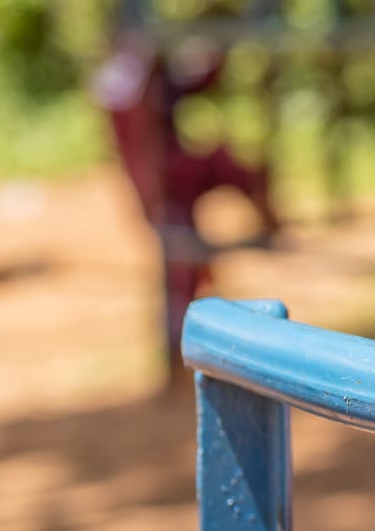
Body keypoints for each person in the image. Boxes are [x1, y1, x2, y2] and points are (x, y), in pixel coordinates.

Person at [91, 34, 278, 355]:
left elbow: (191, 83)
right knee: (181, 260)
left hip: (172, 178)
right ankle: (183, 333)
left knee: (228, 171)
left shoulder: (146, 76)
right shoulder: (127, 81)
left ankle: (190, 324)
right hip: (161, 186)